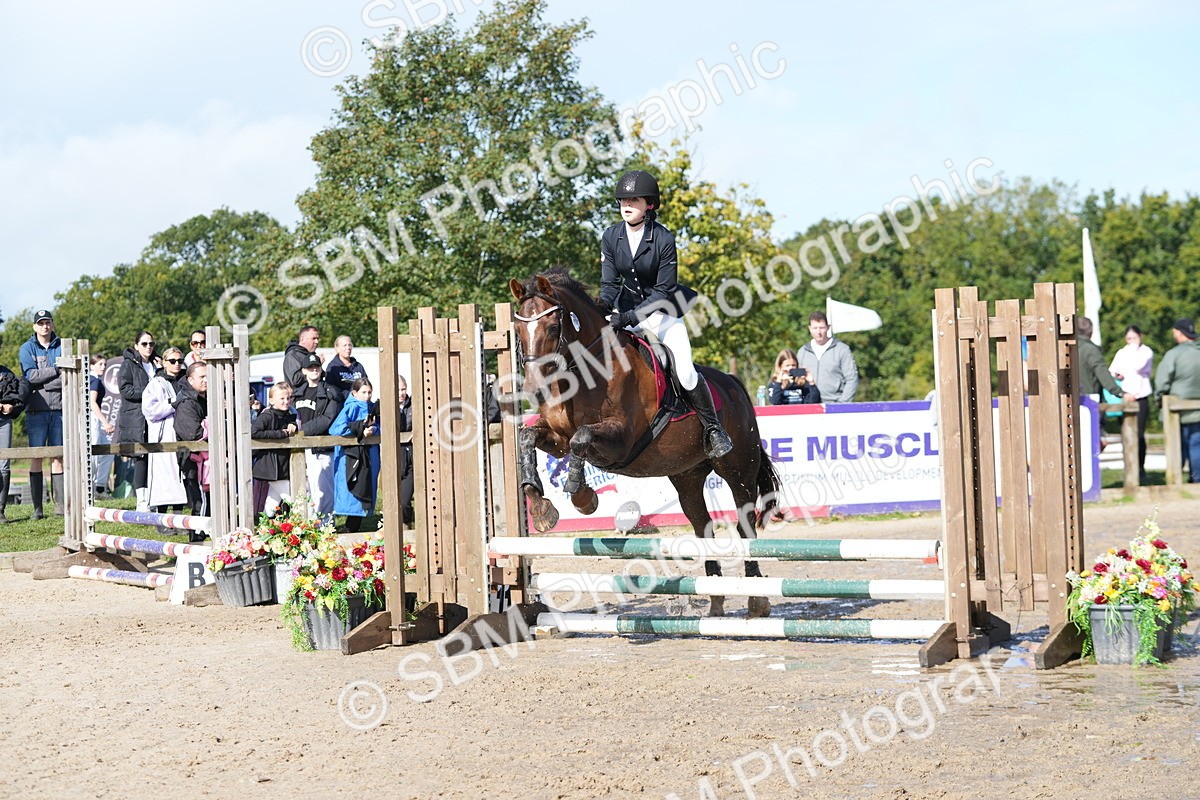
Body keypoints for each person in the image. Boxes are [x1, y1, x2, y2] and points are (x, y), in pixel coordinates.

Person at [598, 169, 732, 459]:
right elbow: (610, 285)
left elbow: (662, 292)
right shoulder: (611, 236)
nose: (627, 204)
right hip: (625, 313)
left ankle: (713, 428)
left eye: (634, 199)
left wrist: (629, 318)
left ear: (650, 205)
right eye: (623, 199)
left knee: (684, 373)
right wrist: (603, 307)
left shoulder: (663, 239)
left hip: (663, 316)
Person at [18, 309, 64, 518]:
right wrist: (56, 370)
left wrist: (46, 378)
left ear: (52, 324)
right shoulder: (26, 348)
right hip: (36, 410)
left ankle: (60, 508)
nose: (45, 326)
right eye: (41, 323)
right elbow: (30, 377)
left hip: (60, 409)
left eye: (48, 322)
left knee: (58, 457)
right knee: (36, 457)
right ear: (34, 326)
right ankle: (38, 509)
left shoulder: (63, 345)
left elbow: (68, 377)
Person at [294, 353, 343, 524]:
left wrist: (300, 431)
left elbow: (327, 419)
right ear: (303, 371)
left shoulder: (331, 392)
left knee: (323, 491)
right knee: (303, 489)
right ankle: (306, 525)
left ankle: (326, 527)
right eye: (310, 368)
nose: (314, 370)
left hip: (321, 449)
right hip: (299, 449)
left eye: (316, 367)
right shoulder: (296, 393)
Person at [329, 377, 381, 532]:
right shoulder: (350, 407)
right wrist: (359, 429)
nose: (367, 396)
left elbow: (381, 425)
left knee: (366, 485)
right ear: (355, 393)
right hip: (352, 455)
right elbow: (336, 429)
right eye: (363, 392)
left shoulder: (373, 407)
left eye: (369, 392)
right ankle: (349, 527)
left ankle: (354, 527)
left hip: (370, 453)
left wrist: (374, 430)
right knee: (353, 486)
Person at [142, 346, 189, 513]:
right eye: (172, 361)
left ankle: (178, 516)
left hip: (184, 434)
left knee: (180, 476)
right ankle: (161, 519)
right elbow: (149, 410)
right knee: (163, 477)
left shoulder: (186, 382)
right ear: (164, 362)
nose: (177, 364)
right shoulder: (155, 384)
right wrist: (173, 404)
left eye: (180, 361)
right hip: (164, 435)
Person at [1155, 319, 1200, 483]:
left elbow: (1162, 381)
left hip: (1177, 412)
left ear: (1180, 333)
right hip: (1198, 413)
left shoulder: (1174, 354)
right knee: (1196, 446)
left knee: (1178, 447)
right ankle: (1196, 480)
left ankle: (1176, 481)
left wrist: (1158, 397)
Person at [117, 331, 158, 511]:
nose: (148, 347)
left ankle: (155, 497)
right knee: (141, 457)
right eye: (144, 344)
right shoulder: (128, 364)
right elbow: (125, 390)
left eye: (151, 343)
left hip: (156, 416)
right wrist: (149, 394)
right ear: (136, 346)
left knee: (156, 457)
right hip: (136, 416)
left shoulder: (157, 364)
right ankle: (141, 500)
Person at [1108, 324, 1155, 481]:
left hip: (1141, 396)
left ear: (1140, 336)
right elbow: (1112, 370)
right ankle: (1129, 467)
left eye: (1134, 338)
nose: (1131, 341)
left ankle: (1140, 467)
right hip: (1125, 397)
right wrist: (1117, 374)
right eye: (1128, 338)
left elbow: (1138, 366)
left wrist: (1132, 349)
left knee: (1139, 434)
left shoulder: (1145, 351)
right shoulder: (1122, 352)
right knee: (1126, 434)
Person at [252, 383, 297, 517]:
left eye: (288, 398)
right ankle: (307, 528)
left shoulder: (288, 415)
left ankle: (264, 528)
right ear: (271, 400)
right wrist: (279, 434)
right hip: (271, 467)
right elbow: (253, 432)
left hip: (282, 466)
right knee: (294, 500)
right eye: (282, 399)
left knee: (272, 505)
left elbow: (293, 428)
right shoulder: (266, 416)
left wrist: (293, 425)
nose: (286, 401)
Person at [174, 362, 210, 526]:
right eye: (202, 376)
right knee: (199, 506)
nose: (206, 380)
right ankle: (196, 541)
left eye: (208, 376)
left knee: (209, 505)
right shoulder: (186, 403)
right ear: (190, 380)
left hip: (208, 462)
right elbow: (193, 434)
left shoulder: (206, 399)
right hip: (192, 461)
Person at [795, 311, 859, 403]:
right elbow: (797, 380)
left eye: (822, 328)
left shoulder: (841, 349)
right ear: (809, 328)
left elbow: (852, 378)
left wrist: (842, 403)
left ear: (828, 328)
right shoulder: (803, 351)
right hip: (809, 405)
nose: (818, 332)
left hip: (834, 403)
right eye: (815, 328)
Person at [1076, 318, 1134, 406]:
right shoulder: (1090, 350)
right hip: (1088, 400)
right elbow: (1102, 373)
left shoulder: (1063, 348)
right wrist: (1120, 393)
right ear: (1091, 331)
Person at [0, 362, 27, 524]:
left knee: (4, 465)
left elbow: (18, 394)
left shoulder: (7, 373)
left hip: (3, 421)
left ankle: (0, 510)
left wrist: (12, 406)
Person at [88, 354, 116, 496]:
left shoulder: (93, 380)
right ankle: (90, 490)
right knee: (93, 455)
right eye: (100, 364)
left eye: (104, 364)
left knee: (108, 451)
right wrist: (105, 422)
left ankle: (100, 487)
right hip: (93, 419)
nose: (103, 367)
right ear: (91, 365)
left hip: (95, 419)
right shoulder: (94, 381)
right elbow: (92, 403)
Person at [397, 374, 415, 524]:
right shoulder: (385, 406)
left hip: (411, 454)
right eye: (398, 390)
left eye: (403, 389)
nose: (401, 393)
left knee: (405, 498)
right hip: (396, 455)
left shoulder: (413, 405)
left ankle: (407, 523)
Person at [283, 325, 320, 390]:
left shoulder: (312, 356)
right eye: (313, 338)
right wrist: (311, 369)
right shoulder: (293, 355)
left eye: (317, 339)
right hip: (299, 398)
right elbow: (295, 380)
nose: (317, 342)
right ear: (302, 339)